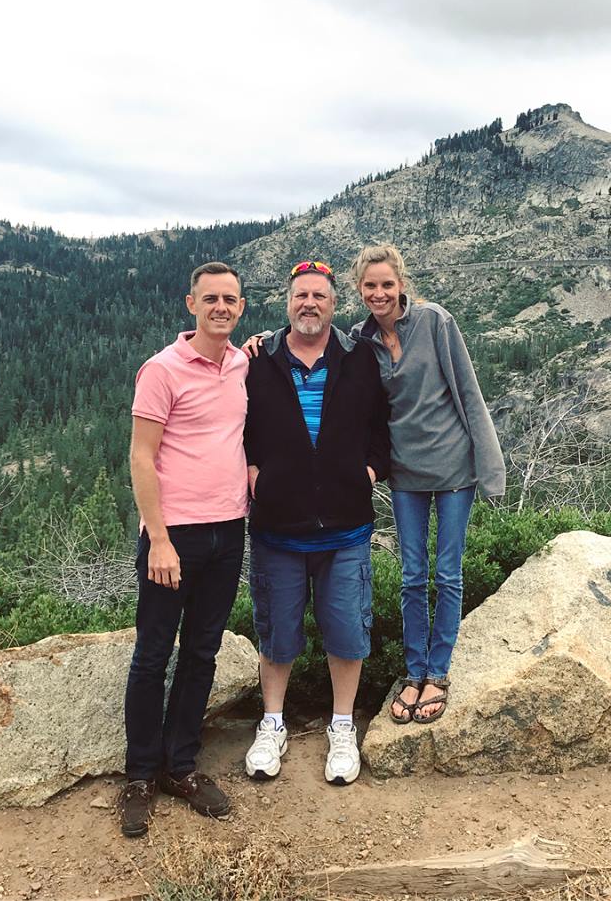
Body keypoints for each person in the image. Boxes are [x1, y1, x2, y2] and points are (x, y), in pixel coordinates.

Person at [243, 260, 389, 786]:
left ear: (334, 305)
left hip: (345, 527)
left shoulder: (359, 360)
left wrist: (371, 469)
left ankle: (343, 725)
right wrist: (253, 471)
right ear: (288, 303)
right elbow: (235, 423)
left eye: (320, 296)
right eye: (301, 295)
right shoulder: (257, 360)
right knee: (277, 633)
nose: (310, 303)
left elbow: (383, 423)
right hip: (277, 527)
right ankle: (273, 722)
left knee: (347, 632)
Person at [349, 244, 505, 726]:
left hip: (455, 468)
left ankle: (438, 673)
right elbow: (310, 344)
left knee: (448, 573)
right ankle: (414, 673)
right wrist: (263, 339)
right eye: (370, 286)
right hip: (406, 473)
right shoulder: (360, 339)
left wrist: (490, 466)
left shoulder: (435, 322)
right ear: (360, 290)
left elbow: (468, 390)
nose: (379, 293)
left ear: (401, 285)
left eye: (387, 284)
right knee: (413, 576)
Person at [119, 262, 249, 838]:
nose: (221, 307)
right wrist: (160, 539)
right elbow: (141, 458)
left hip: (229, 531)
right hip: (175, 538)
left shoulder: (243, 363)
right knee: (152, 655)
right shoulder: (162, 369)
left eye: (231, 299)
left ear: (241, 307)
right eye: (211, 299)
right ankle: (141, 775)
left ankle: (182, 767)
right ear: (191, 303)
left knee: (202, 652)